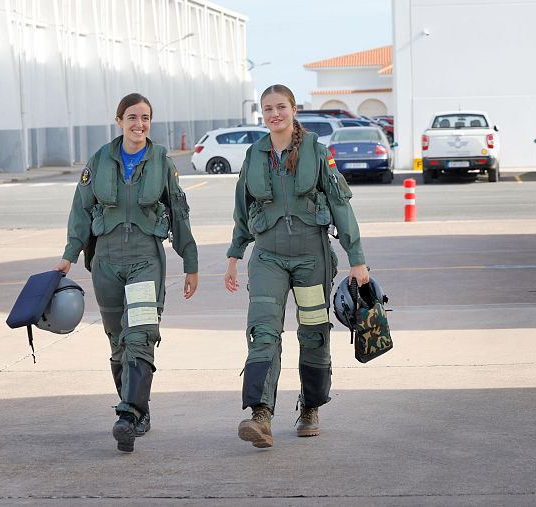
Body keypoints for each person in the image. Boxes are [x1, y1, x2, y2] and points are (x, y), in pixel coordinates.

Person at [224, 84, 369, 449]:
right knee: (263, 332)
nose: (275, 114)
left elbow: (340, 205)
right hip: (268, 258)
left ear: (293, 110)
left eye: (281, 107)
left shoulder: (317, 152)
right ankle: (260, 415)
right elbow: (243, 210)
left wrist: (357, 259)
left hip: (311, 259)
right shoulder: (254, 155)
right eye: (268, 109)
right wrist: (234, 255)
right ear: (263, 113)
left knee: (313, 334)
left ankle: (310, 408)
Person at [54, 93, 199, 453]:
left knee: (141, 336)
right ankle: (138, 412)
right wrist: (69, 255)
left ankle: (128, 416)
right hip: (105, 264)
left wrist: (191, 261)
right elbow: (81, 211)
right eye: (132, 118)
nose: (139, 125)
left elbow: (178, 213)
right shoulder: (99, 161)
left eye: (146, 118)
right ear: (119, 121)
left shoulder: (162, 160)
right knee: (118, 341)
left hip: (145, 262)